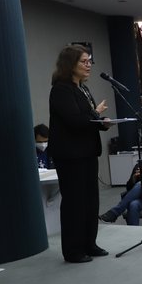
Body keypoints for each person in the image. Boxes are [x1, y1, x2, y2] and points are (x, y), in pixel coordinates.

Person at [49, 45, 112, 262]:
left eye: (89, 61)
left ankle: (89, 244)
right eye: (83, 61)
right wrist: (96, 114)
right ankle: (73, 250)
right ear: (70, 64)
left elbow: (88, 120)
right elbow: (75, 120)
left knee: (90, 201)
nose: (88, 65)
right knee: (75, 202)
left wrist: (103, 123)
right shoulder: (61, 90)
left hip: (87, 152)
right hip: (70, 155)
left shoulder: (83, 88)